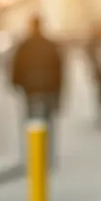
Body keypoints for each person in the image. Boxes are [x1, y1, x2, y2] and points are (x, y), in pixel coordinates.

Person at [9, 15, 65, 168]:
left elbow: (15, 67)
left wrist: (16, 85)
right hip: (47, 90)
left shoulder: (24, 45)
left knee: (31, 124)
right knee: (47, 124)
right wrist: (59, 94)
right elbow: (60, 71)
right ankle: (48, 158)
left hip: (30, 90)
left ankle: (32, 157)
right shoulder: (50, 45)